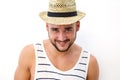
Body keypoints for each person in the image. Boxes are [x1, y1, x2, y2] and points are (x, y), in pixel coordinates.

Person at [14, 0, 99, 80]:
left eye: (68, 29)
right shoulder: (30, 54)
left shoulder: (90, 63)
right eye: (55, 29)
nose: (62, 38)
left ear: (77, 26)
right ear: (47, 26)